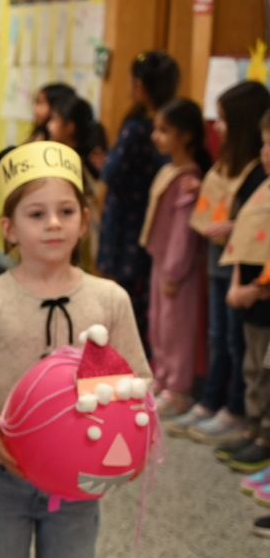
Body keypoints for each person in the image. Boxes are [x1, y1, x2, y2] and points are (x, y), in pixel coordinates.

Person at [0, 142, 151, 558]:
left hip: (79, 487)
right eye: (36, 214)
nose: (54, 224)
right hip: (3, 477)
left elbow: (140, 383)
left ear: (84, 221)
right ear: (9, 228)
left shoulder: (109, 299)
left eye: (66, 211)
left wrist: (136, 445)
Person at [168, 81, 270, 446]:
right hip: (220, 267)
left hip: (245, 276)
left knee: (239, 345)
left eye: (224, 119)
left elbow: (253, 222)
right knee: (219, 338)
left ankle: (237, 411)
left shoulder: (256, 174)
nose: (218, 126)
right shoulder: (227, 165)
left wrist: (234, 227)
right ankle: (212, 402)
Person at [97, 51, 180, 354]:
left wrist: (106, 161)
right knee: (144, 296)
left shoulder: (136, 127)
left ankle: (126, 357)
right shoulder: (169, 122)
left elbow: (111, 171)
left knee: (128, 296)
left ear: (139, 86)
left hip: (127, 223)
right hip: (153, 221)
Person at [140, 98, 210, 417]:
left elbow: (184, 233)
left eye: (164, 130)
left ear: (186, 135)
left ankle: (179, 388)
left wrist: (174, 271)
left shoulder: (188, 178)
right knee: (159, 324)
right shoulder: (170, 170)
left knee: (176, 328)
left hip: (176, 268)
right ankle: (162, 376)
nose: (156, 136)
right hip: (160, 261)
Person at [218, 103, 270, 474]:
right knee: (253, 367)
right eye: (264, 144)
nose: (265, 153)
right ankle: (254, 429)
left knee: (265, 373)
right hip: (251, 298)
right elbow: (244, 240)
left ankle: (265, 436)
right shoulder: (261, 189)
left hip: (262, 297)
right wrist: (238, 284)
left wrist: (256, 289)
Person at [47, 95, 104, 271]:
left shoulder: (74, 163)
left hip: (76, 234)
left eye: (54, 119)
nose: (49, 125)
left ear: (70, 127)